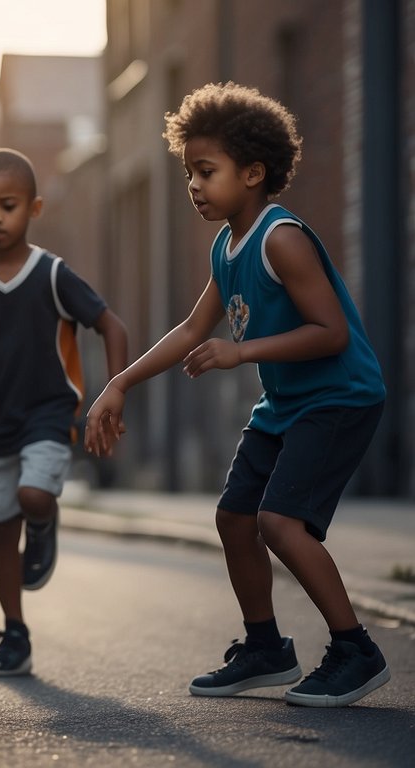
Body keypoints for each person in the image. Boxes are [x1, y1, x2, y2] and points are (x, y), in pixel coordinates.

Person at [85, 82, 390, 708]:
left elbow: (331, 333)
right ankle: (265, 648)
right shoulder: (227, 247)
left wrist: (242, 351)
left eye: (206, 171)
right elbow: (194, 329)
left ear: (253, 173)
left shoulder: (282, 238)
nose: (194, 186)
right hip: (284, 406)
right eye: (189, 172)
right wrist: (120, 383)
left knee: (279, 521)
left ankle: (356, 649)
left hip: (339, 399)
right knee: (234, 517)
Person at [0, 148, 128, 677]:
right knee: (0, 525)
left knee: (32, 496)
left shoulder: (52, 274)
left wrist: (113, 392)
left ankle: (44, 522)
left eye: (8, 205)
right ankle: (14, 632)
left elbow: (114, 326)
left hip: (50, 411)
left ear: (34, 208)